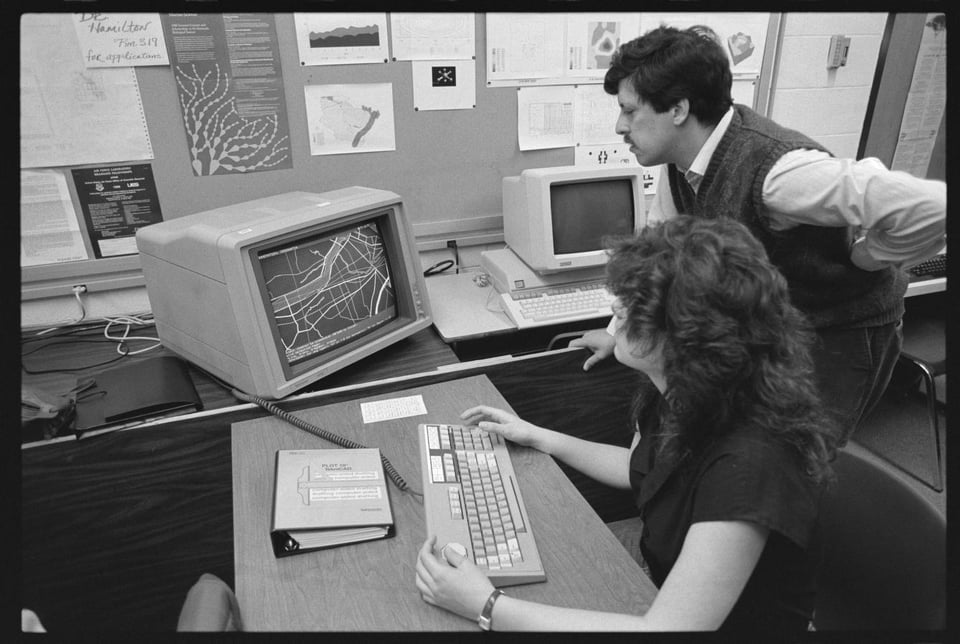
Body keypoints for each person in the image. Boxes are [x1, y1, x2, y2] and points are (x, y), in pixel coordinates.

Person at [416, 216, 839, 633]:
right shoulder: (683, 391)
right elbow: (642, 469)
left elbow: (670, 630)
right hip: (660, 587)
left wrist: (487, 605)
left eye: (634, 303)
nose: (616, 307)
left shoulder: (750, 466)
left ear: (689, 335)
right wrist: (540, 436)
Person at [570, 25, 946, 443]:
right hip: (773, 329)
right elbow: (655, 266)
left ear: (677, 109)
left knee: (799, 460)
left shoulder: (778, 174)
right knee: (749, 447)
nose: (620, 127)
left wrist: (870, 256)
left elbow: (933, 207)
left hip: (840, 329)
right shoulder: (678, 163)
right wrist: (617, 332)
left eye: (629, 110)